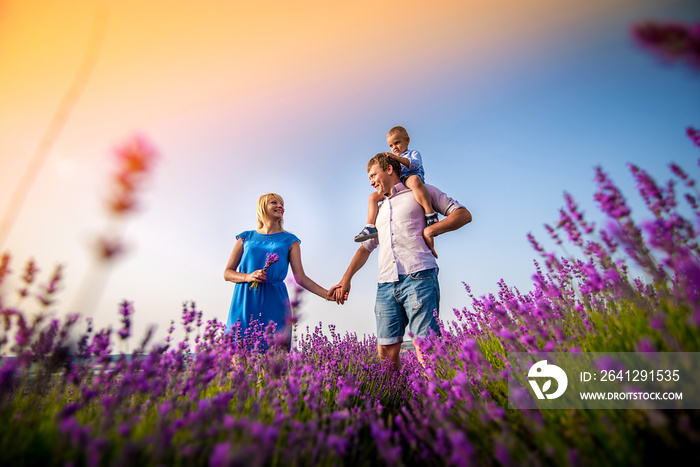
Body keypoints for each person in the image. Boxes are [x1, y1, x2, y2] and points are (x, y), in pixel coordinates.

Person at [333, 153, 472, 368]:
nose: (371, 181)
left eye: (373, 175)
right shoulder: (378, 211)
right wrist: (346, 278)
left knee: (427, 348)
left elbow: (463, 214)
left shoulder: (421, 191)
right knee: (386, 351)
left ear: (389, 169)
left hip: (420, 277)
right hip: (386, 284)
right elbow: (365, 248)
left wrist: (431, 230)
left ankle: (435, 399)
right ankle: (397, 401)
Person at [224, 193, 331, 349]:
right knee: (238, 353)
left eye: (282, 203)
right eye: (274, 202)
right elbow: (227, 273)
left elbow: (300, 277)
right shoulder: (245, 238)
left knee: (275, 356)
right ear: (262, 207)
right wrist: (248, 276)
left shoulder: (290, 240)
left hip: (275, 299)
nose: (280, 206)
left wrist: (328, 294)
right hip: (244, 299)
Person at [354, 126, 438, 242]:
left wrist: (396, 158)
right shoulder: (395, 159)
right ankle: (370, 227)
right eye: (391, 145)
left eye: (397, 143)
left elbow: (414, 164)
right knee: (373, 197)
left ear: (407, 140)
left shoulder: (412, 153)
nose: (394, 147)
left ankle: (430, 215)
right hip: (399, 184)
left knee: (414, 181)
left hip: (410, 179)